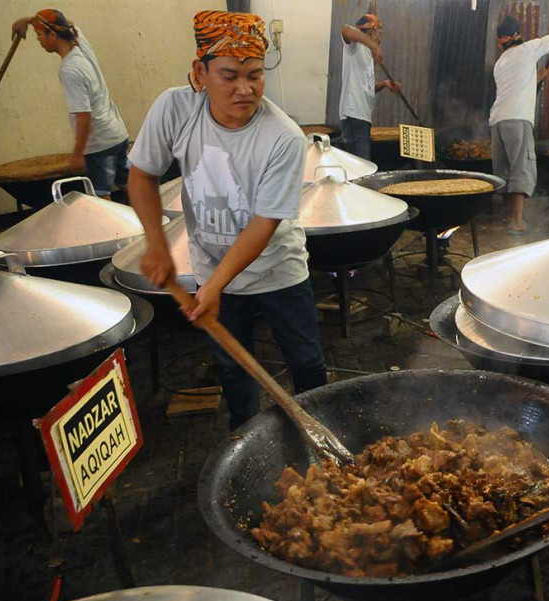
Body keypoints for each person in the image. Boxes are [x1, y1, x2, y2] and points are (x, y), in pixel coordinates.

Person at [128, 10, 327, 431]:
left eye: (255, 75)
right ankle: (244, 440)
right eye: (230, 75)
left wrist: (215, 286)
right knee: (232, 365)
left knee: (305, 360)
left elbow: (264, 223)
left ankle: (318, 436)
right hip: (210, 265)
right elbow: (142, 175)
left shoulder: (283, 137)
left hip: (278, 269)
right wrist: (157, 246)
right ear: (200, 72)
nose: (244, 88)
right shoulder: (175, 109)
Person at [11, 9, 129, 199]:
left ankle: (119, 231)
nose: (38, 40)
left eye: (39, 34)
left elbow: (83, 115)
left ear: (53, 34)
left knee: (102, 200)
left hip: (99, 144)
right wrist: (30, 21)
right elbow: (67, 22)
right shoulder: (80, 43)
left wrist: (78, 153)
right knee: (130, 186)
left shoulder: (69, 69)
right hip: (117, 134)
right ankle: (154, 222)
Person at [489, 14, 549, 235]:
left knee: (505, 170)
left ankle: (508, 216)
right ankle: (517, 221)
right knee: (521, 168)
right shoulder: (528, 49)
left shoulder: (500, 63)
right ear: (517, 35)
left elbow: (518, 86)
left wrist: (540, 75)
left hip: (498, 120)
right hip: (517, 119)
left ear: (500, 40)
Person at [338, 13, 400, 160]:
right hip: (353, 113)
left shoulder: (366, 53)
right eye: (379, 33)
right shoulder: (355, 46)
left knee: (361, 163)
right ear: (372, 31)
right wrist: (373, 46)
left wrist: (385, 84)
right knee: (361, 165)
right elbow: (345, 30)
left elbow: (367, 88)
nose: (380, 38)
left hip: (362, 116)